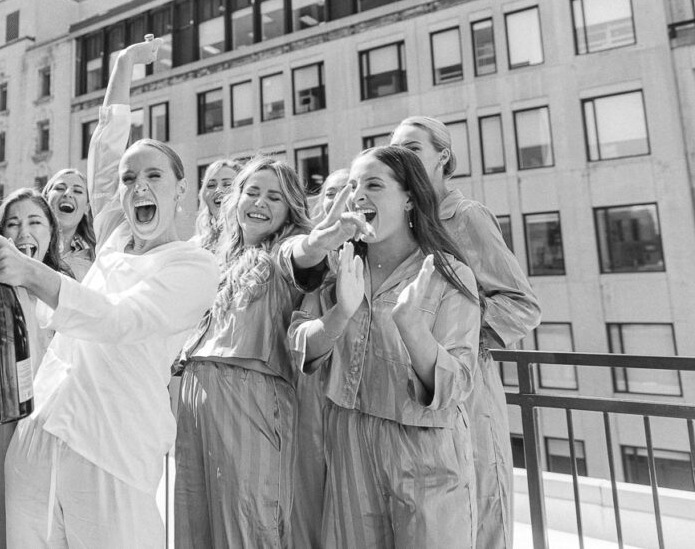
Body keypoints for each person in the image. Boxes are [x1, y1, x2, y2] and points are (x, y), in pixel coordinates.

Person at [0, 37, 219, 548]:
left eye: (153, 176)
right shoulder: (116, 233)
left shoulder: (195, 267)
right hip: (41, 433)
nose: (136, 187)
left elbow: (119, 321)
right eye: (130, 180)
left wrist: (28, 272)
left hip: (113, 452)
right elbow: (105, 156)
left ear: (181, 189)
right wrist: (123, 66)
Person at [290, 145, 480, 547]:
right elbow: (299, 342)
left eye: (374, 185)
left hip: (425, 449)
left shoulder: (449, 273)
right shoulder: (336, 266)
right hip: (348, 440)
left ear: (410, 197)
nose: (359, 196)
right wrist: (340, 313)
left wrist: (413, 328)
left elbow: (458, 383)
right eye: (354, 186)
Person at [174, 156, 357, 548]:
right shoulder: (219, 256)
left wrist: (322, 239)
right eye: (251, 192)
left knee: (249, 524)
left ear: (290, 208)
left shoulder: (283, 249)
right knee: (195, 525)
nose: (259, 203)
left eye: (273, 197)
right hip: (195, 394)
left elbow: (303, 253)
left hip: (251, 397)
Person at [391, 116, 541, 549]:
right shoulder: (403, 221)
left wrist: (451, 333)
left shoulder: (466, 216)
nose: (404, 157)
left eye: (414, 148)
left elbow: (522, 306)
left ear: (443, 156)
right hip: (415, 394)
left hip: (467, 392)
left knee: (479, 515)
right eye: (397, 149)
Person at [0, 188, 70, 549]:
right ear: (1, 234)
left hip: (51, 432)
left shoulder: (65, 288)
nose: (24, 233)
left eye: (35, 222)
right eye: (14, 224)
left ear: (51, 232)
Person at [291, 167, 348, 549]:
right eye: (329, 193)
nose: (337, 200)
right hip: (307, 397)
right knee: (306, 506)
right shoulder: (303, 259)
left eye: (348, 192)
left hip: (355, 402)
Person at [43, 169, 97, 280]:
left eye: (77, 191)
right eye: (59, 188)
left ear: (87, 206)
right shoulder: (29, 244)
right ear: (46, 198)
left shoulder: (96, 258)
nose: (68, 194)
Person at [192, 159, 241, 251]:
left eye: (227, 184)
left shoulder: (251, 242)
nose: (218, 190)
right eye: (211, 185)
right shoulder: (194, 246)